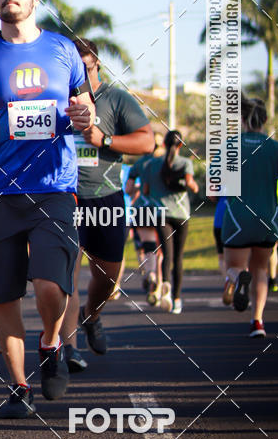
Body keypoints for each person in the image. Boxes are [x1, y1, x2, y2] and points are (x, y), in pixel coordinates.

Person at [0, 0, 95, 417]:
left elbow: (87, 111)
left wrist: (85, 118)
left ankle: (51, 340)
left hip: (53, 186)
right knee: (4, 293)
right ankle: (18, 386)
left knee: (51, 285)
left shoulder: (63, 51)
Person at [60, 38, 153, 370]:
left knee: (107, 275)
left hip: (106, 197)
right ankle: (68, 348)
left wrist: (107, 140)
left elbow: (147, 140)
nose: (77, 75)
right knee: (66, 276)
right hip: (63, 197)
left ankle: (92, 315)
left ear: (95, 63)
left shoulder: (115, 99)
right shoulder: (55, 99)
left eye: (83, 67)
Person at [221, 96, 278, 336]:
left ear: (242, 119)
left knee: (234, 266)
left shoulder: (231, 145)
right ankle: (258, 322)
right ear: (265, 119)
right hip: (268, 219)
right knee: (262, 271)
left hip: (237, 220)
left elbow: (214, 191)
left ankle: (238, 277)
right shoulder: (277, 148)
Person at [141, 130, 199, 313]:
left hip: (161, 213)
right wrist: (192, 187)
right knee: (178, 257)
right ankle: (177, 298)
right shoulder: (185, 163)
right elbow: (191, 185)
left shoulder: (151, 165)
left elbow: (146, 191)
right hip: (181, 213)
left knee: (166, 254)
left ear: (164, 144)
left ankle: (164, 287)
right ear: (180, 145)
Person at [125, 132, 165, 292]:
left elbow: (128, 189)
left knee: (148, 247)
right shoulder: (164, 162)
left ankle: (150, 273)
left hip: (141, 207)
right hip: (161, 207)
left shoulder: (139, 163)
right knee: (161, 250)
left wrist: (139, 188)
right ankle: (160, 283)